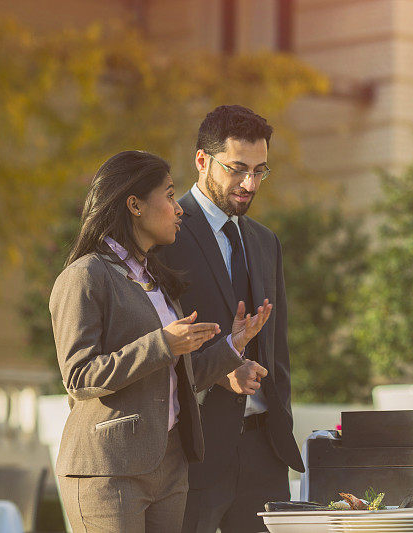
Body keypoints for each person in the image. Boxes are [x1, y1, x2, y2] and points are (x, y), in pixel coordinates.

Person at [50, 150, 273, 532]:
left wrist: (231, 348)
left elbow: (175, 377)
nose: (179, 208)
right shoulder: (85, 275)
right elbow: (80, 376)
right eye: (169, 196)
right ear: (134, 204)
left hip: (170, 468)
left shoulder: (157, 280)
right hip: (109, 470)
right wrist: (162, 344)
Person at [157, 105, 304, 533]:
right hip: (192, 449)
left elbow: (278, 351)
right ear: (202, 160)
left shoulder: (265, 241)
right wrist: (221, 371)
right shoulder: (165, 235)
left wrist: (281, 427)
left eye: (260, 171)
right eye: (237, 169)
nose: (249, 184)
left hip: (265, 452)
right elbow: (150, 341)